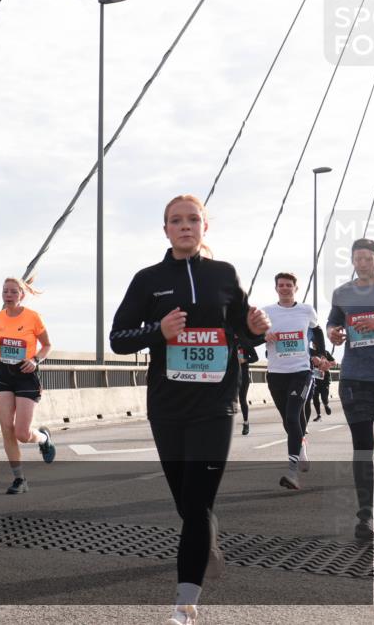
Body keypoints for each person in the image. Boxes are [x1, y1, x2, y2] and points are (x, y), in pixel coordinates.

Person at [109, 194, 269, 625]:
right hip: (167, 405)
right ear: (165, 230)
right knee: (186, 503)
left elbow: (240, 332)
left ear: (205, 227)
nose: (185, 226)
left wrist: (254, 331)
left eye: (193, 219)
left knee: (197, 505)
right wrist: (158, 331)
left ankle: (184, 604)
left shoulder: (224, 274)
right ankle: (206, 540)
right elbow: (119, 339)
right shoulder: (147, 280)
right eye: (176, 221)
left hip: (216, 404)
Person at [326, 237, 374, 539]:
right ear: (352, 261)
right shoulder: (342, 293)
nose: (363, 263)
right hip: (355, 379)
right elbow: (332, 324)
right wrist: (334, 334)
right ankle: (365, 518)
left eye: (368, 258)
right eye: (358, 259)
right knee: (362, 448)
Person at [0, 276, 56, 494]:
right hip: (2, 373)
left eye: (13, 291)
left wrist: (35, 361)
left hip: (26, 374)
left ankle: (43, 438)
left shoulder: (33, 317)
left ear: (22, 295)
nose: (8, 295)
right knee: (7, 428)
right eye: (5, 291)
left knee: (22, 433)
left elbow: (47, 345)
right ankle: (19, 479)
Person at [261, 272, 323, 490]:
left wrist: (320, 354)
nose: (285, 288)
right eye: (281, 285)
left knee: (293, 415)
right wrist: (263, 337)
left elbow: (317, 331)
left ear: (295, 288)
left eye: (289, 285)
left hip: (301, 370)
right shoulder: (266, 312)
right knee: (288, 421)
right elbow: (251, 337)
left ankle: (292, 471)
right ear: (276, 288)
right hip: (276, 373)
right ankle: (302, 443)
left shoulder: (306, 310)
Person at [308, 326, 335, 421]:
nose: (314, 345)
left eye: (316, 344)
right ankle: (319, 415)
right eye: (313, 344)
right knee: (315, 397)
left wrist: (326, 364)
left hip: (324, 378)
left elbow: (334, 363)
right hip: (314, 377)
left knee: (324, 396)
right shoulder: (310, 352)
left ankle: (326, 404)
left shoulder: (325, 353)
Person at [236, 337, 259, 436]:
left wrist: (245, 360)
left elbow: (255, 357)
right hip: (230, 376)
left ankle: (246, 423)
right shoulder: (227, 341)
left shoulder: (245, 342)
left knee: (242, 399)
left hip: (243, 375)